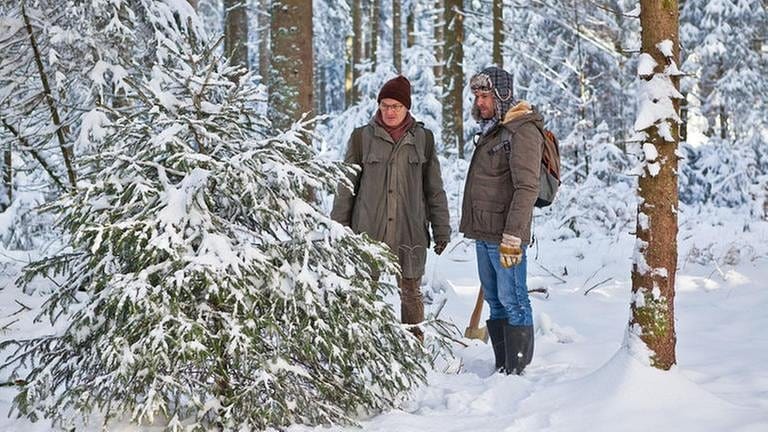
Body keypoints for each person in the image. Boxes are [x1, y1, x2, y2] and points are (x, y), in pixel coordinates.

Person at [331, 75, 451, 341]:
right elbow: (346, 186)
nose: (390, 111)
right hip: (368, 230)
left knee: (411, 293)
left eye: (396, 106)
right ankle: (358, 344)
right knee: (362, 290)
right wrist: (338, 228)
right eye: (385, 105)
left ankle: (413, 347)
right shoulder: (362, 138)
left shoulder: (424, 140)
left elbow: (435, 190)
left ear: (407, 107)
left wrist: (442, 229)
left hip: (410, 230)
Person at [459, 66, 544, 374]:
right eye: (476, 96)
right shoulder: (494, 130)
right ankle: (503, 366)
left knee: (514, 299)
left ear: (502, 95)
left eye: (485, 96)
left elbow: (527, 187)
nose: (479, 102)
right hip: (485, 231)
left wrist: (513, 235)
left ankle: (518, 370)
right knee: (495, 299)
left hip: (506, 234)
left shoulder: (522, 131)